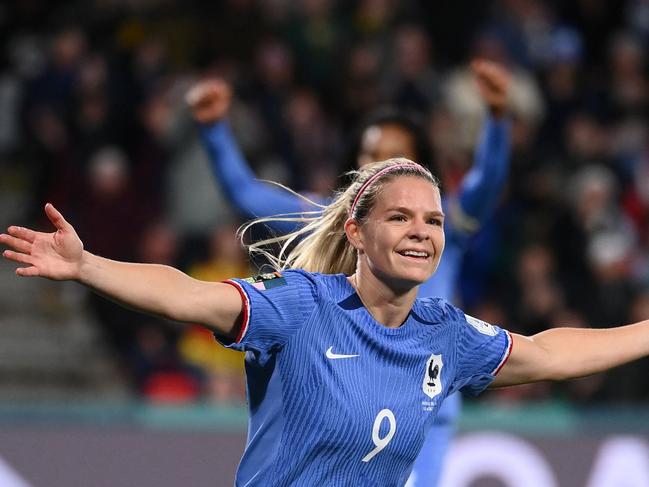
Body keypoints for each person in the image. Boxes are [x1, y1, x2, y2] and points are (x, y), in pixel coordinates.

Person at [5, 159, 649, 486]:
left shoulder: (446, 335)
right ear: (357, 233)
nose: (421, 233)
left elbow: (548, 353)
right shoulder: (301, 306)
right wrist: (89, 267)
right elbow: (188, 295)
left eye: (433, 222)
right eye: (400, 218)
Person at [187, 59, 512, 486]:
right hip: (349, 404)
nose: (378, 164)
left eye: (394, 156)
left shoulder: (440, 220)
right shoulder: (331, 217)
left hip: (423, 407)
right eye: (370, 154)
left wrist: (499, 121)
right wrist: (214, 131)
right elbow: (246, 193)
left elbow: (487, 181)